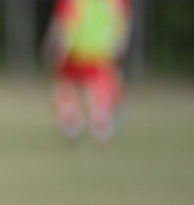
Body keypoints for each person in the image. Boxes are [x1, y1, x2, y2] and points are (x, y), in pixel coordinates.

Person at [43, 0, 131, 142]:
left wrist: (52, 45)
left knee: (67, 90)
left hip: (80, 52)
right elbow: (122, 21)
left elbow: (59, 23)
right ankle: (95, 121)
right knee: (96, 91)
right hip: (95, 54)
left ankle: (79, 121)